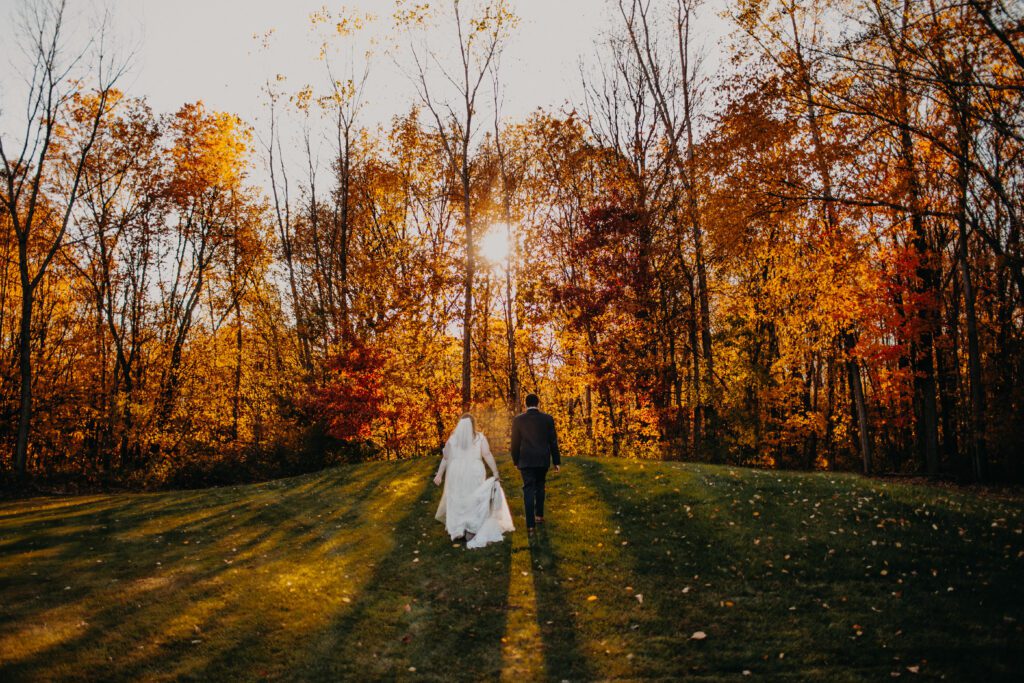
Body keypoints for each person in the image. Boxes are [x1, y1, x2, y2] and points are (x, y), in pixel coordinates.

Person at [433, 413, 514, 548]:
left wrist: (440, 474)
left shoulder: (453, 439)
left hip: (456, 472)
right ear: (473, 424)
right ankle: (471, 528)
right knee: (473, 498)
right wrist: (495, 471)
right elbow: (487, 455)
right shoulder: (479, 438)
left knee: (457, 498)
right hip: (474, 471)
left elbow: (446, 457)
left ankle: (458, 529)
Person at [510, 393, 561, 533]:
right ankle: (539, 516)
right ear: (538, 403)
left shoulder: (518, 420)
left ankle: (530, 525)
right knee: (540, 486)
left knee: (528, 489)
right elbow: (553, 441)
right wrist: (556, 461)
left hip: (526, 460)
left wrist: (515, 460)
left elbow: (514, 443)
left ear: (525, 404)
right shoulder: (548, 419)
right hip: (542, 459)